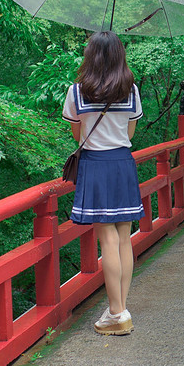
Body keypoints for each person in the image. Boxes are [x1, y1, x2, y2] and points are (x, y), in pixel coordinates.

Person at [62, 31, 143, 336]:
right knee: (124, 237)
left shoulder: (77, 92)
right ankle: (120, 309)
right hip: (122, 163)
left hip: (95, 165)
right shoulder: (131, 91)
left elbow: (76, 135)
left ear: (91, 56)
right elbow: (130, 134)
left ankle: (117, 312)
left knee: (107, 239)